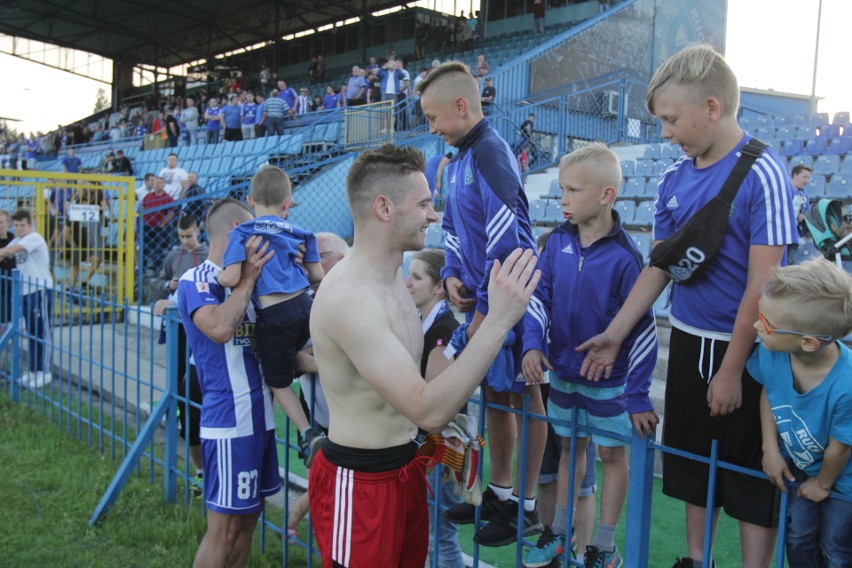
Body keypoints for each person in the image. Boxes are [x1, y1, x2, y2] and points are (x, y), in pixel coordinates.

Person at [577, 45, 798, 568]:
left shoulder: (765, 172)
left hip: (746, 351)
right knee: (695, 467)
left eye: (672, 119)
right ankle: (697, 559)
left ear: (713, 108)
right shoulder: (674, 177)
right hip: (690, 341)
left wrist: (731, 369)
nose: (666, 132)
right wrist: (616, 331)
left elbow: (761, 287)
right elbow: (661, 266)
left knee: (747, 474)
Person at [307, 143, 539, 567]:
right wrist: (499, 321)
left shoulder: (394, 278)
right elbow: (426, 407)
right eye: (425, 203)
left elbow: (416, 398)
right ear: (383, 207)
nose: (434, 215)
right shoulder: (349, 299)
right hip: (361, 484)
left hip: (405, 469)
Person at [418, 61, 548, 548]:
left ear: (460, 106)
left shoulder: (492, 152)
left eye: (433, 117)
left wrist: (484, 309)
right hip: (485, 299)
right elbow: (452, 227)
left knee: (527, 400)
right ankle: (499, 492)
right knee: (498, 396)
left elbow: (507, 238)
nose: (430, 127)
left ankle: (528, 506)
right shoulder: (458, 160)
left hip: (513, 299)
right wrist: (451, 275)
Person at [521, 144, 659, 567]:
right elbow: (538, 297)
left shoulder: (625, 257)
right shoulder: (557, 241)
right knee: (570, 451)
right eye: (561, 189)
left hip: (609, 382)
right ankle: (560, 535)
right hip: (562, 375)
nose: (562, 199)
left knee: (612, 457)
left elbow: (643, 329)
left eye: (573, 190)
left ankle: (603, 547)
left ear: (607, 195)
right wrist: (532, 343)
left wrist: (636, 394)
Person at [177, 198, 280, 568]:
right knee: (224, 531)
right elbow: (220, 328)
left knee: (249, 522)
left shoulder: (255, 281)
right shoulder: (196, 280)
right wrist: (249, 279)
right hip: (227, 423)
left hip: (262, 419)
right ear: (236, 230)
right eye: (251, 230)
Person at [747, 259, 852, 567]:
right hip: (803, 467)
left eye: (766, 323)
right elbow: (771, 391)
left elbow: (842, 445)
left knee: (836, 547)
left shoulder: (847, 385)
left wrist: (822, 485)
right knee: (798, 538)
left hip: (844, 480)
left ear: (807, 343)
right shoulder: (772, 352)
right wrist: (770, 448)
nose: (756, 326)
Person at [217, 166, 324, 459]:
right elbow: (317, 274)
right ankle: (332, 365)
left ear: (250, 202)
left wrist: (216, 279)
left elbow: (229, 277)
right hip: (305, 306)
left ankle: (307, 432)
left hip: (275, 314)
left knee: (278, 380)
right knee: (293, 358)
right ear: (288, 203)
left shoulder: (242, 231)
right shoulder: (303, 232)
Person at [405, 248, 464, 568]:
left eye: (416, 277)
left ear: (439, 287)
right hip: (432, 443)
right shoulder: (428, 322)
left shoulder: (443, 329)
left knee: (440, 534)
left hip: (439, 446)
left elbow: (433, 398)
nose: (407, 283)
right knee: (427, 532)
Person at [0, 209, 54, 388]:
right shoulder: (17, 239)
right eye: (16, 225)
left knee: (42, 332)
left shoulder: (34, 238)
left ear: (30, 225)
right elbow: (5, 252)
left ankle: (44, 371)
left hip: (40, 289)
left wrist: (6, 251)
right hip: (25, 291)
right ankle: (33, 370)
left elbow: (11, 250)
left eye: (22, 225)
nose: (19, 228)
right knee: (31, 333)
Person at [141, 177, 176, 273]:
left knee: (157, 249)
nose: (157, 184)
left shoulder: (167, 198)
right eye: (156, 183)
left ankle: (156, 270)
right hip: (147, 226)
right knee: (144, 248)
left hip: (159, 228)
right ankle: (142, 270)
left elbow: (171, 213)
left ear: (164, 185)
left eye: (160, 183)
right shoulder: (148, 196)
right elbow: (143, 207)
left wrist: (163, 224)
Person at [787, 164, 812, 264]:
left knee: (790, 263)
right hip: (783, 234)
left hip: (796, 235)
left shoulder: (804, 195)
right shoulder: (784, 191)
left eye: (808, 178)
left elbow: (808, 214)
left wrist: (803, 217)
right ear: (795, 175)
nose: (806, 180)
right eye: (804, 177)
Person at [0, 209, 16, 328]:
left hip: (11, 278)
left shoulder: (14, 239)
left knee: (9, 308)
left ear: (8, 223)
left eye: (1, 222)